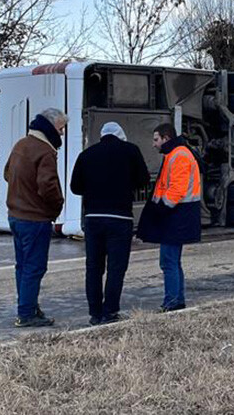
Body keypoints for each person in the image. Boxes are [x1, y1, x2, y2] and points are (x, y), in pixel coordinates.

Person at [70, 122, 150, 325]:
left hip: (93, 218)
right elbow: (143, 180)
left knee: (94, 267)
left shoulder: (87, 154)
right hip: (120, 217)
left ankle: (94, 312)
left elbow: (75, 187)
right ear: (120, 135)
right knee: (116, 267)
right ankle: (110, 310)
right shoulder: (131, 151)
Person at [4, 108, 66, 328]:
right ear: (50, 128)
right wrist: (57, 206)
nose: (62, 133)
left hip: (16, 215)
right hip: (35, 218)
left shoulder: (21, 145)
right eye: (60, 128)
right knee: (35, 267)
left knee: (22, 265)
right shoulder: (45, 151)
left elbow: (6, 173)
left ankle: (27, 306)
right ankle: (27, 312)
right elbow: (48, 185)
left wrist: (21, 190)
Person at [137, 123, 202, 312]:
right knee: (173, 261)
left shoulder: (179, 155)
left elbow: (177, 189)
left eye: (156, 139)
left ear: (166, 138)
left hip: (176, 216)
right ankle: (176, 300)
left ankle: (172, 302)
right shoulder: (177, 154)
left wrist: (162, 208)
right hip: (179, 215)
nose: (153, 144)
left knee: (168, 261)